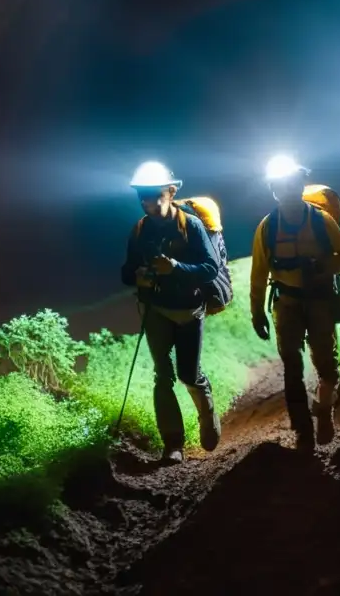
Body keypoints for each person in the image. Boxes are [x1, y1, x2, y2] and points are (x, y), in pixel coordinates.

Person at [250, 155, 340, 451]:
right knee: (292, 367)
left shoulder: (321, 220)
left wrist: (321, 266)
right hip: (287, 303)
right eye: (282, 185)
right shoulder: (267, 228)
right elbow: (259, 273)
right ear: (274, 190)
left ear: (300, 185)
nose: (287, 190)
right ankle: (302, 430)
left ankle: (322, 410)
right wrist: (257, 311)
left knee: (327, 366)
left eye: (292, 184)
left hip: (320, 299)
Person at [120, 161, 222, 464]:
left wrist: (175, 268)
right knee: (162, 377)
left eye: (153, 194)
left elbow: (210, 268)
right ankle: (173, 444)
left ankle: (208, 417)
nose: (146, 201)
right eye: (142, 195)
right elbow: (126, 272)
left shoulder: (190, 225)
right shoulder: (140, 230)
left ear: (171, 191)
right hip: (156, 311)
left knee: (188, 374)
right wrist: (138, 275)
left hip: (189, 311)